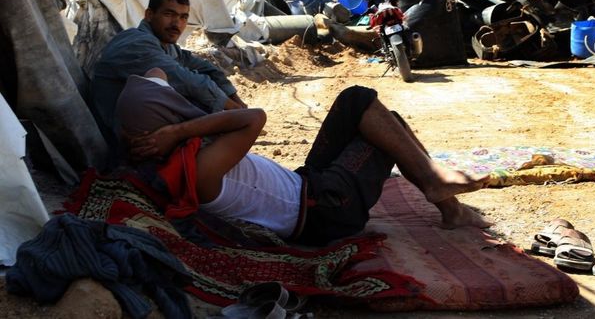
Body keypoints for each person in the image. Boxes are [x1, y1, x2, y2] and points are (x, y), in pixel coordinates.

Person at [117, 69, 490, 246]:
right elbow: (254, 117)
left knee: (357, 101)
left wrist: (168, 125)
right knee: (383, 125)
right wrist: (181, 129)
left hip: (308, 185)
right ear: (165, 127)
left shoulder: (179, 157)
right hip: (327, 210)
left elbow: (155, 72)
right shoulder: (198, 169)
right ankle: (440, 192)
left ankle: (440, 191)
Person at [91, 0, 246, 152]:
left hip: (146, 128)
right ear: (149, 15)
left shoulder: (166, 45)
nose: (176, 24)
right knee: (197, 99)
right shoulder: (136, 43)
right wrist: (234, 111)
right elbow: (187, 81)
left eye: (183, 17)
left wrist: (237, 102)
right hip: (122, 139)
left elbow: (206, 68)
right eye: (169, 14)